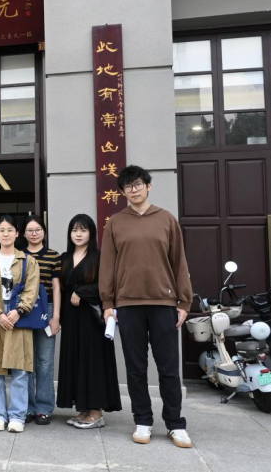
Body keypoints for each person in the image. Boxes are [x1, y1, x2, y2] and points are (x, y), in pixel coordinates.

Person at [100, 165, 194, 448]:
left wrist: (184, 301)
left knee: (168, 368)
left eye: (138, 184)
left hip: (163, 303)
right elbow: (107, 265)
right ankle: (142, 421)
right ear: (123, 192)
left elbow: (179, 261)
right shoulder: (115, 223)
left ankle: (175, 424)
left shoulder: (166, 219)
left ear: (148, 186)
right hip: (128, 305)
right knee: (136, 369)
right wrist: (108, 302)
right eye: (128, 186)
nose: (134, 190)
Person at [56, 214, 121, 428]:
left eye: (83, 230)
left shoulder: (99, 257)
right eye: (75, 230)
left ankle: (96, 412)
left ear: (91, 233)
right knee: (76, 360)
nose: (78, 234)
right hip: (71, 318)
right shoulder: (65, 257)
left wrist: (82, 292)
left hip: (91, 319)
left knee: (92, 362)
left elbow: (108, 285)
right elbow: (61, 287)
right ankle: (84, 409)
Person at [0, 215, 40, 433]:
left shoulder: (27, 261)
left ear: (17, 233)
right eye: (2, 230)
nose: (6, 234)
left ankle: (17, 416)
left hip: (18, 317)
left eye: (10, 230)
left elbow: (32, 289)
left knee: (20, 369)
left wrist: (19, 311)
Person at [22, 215, 62, 426]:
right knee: (26, 361)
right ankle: (28, 407)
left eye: (38, 229)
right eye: (30, 230)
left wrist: (56, 317)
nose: (34, 233)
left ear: (44, 232)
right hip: (24, 310)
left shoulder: (53, 256)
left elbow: (56, 287)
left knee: (45, 362)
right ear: (23, 233)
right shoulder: (19, 255)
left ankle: (44, 408)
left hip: (47, 309)